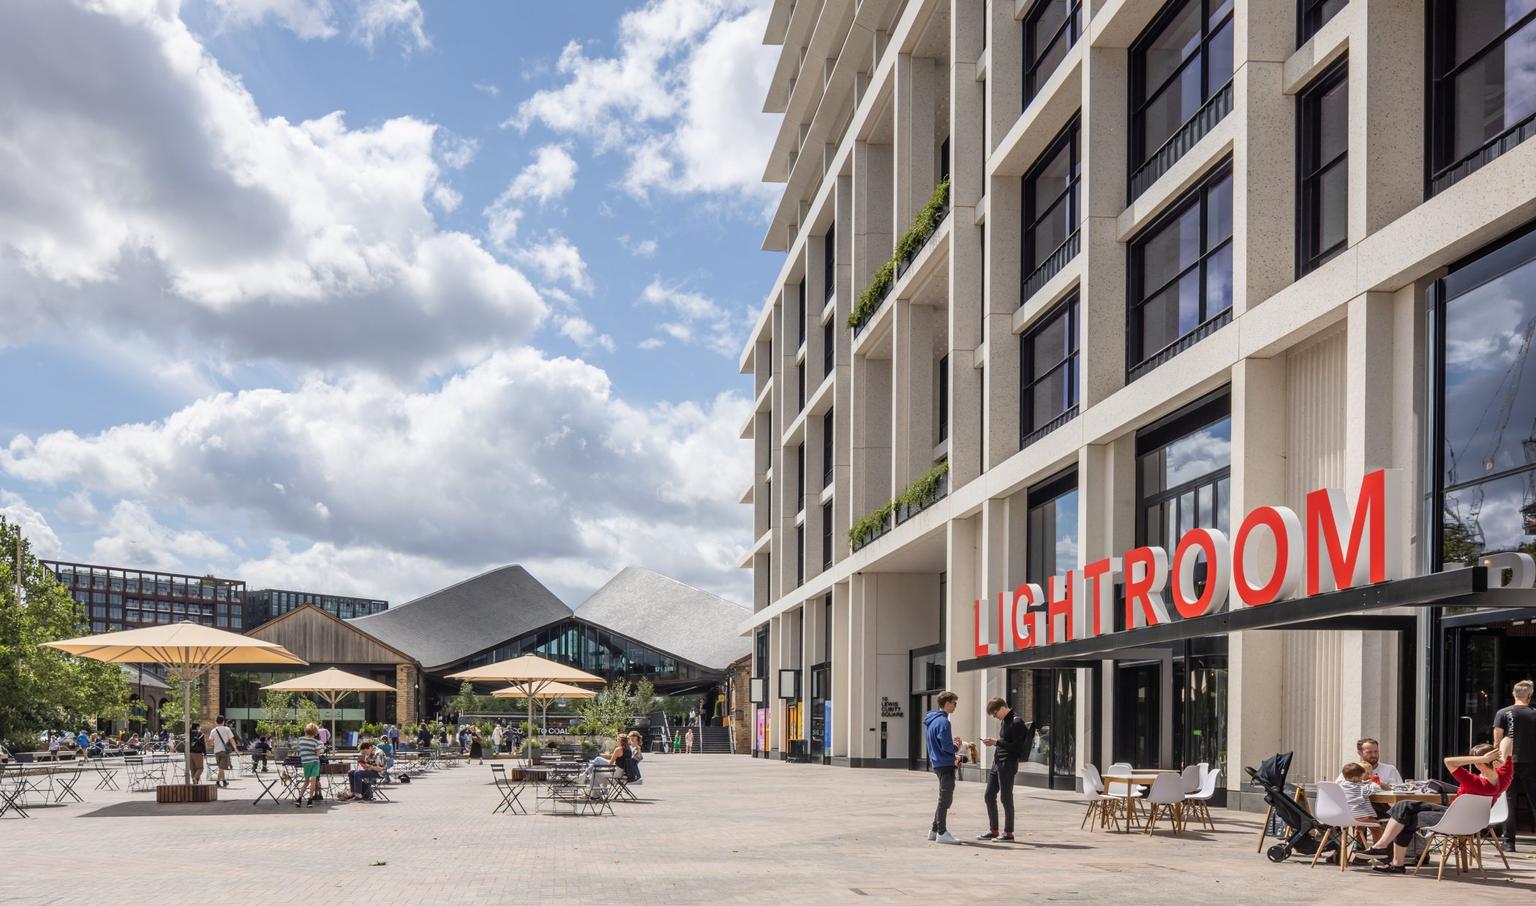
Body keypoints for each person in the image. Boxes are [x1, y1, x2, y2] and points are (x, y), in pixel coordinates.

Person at [1359, 737, 1514, 873]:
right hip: (1474, 821)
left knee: (1405, 813)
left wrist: (1480, 758)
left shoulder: (1473, 781)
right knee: (1404, 808)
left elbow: (1448, 761)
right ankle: (1388, 854)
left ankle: (1387, 853)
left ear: (1479, 764)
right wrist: (1501, 757)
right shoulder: (1504, 776)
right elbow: (1508, 740)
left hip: (1454, 819)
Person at [976, 696, 1031, 842]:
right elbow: (1005, 742)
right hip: (998, 763)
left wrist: (996, 742)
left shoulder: (1017, 722)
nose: (995, 717)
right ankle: (993, 830)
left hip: (1008, 763)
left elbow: (1018, 748)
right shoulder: (1005, 721)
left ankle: (1008, 832)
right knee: (989, 795)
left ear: (1001, 708)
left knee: (1006, 798)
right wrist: (995, 745)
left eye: (995, 714)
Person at [1494, 679, 1536, 851]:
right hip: (1532, 762)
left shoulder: (1503, 713)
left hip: (1508, 761)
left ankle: (1508, 842)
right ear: (1530, 695)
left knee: (1509, 801)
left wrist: (1497, 760)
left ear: (1514, 694)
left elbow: (1497, 740)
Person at [923, 690, 963, 845]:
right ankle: (942, 832)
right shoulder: (944, 722)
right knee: (945, 799)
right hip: (945, 764)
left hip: (937, 763)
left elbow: (938, 744)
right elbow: (946, 746)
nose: (955, 706)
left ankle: (934, 831)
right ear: (947, 703)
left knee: (943, 798)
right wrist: (956, 747)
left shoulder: (932, 720)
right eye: (954, 703)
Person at [1337, 762, 1387, 842]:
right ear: (1355, 778)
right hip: (1361, 817)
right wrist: (1374, 783)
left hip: (1344, 816)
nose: (1362, 779)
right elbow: (1377, 789)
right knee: (1376, 827)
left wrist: (1363, 782)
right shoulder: (1362, 788)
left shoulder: (1340, 787)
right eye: (1361, 777)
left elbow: (1353, 785)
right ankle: (1377, 847)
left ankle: (1359, 845)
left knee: (1360, 827)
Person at [1336, 738, 1402, 787]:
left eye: (1376, 751)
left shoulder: (1390, 769)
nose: (1374, 755)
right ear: (1360, 753)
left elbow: (1399, 790)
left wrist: (1379, 784)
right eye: (1369, 752)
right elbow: (1338, 788)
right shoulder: (1352, 769)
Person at [295, 722, 322, 808]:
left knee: (306, 782)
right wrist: (321, 750)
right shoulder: (316, 742)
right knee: (313, 782)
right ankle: (310, 801)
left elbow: (299, 750)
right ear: (315, 732)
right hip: (314, 762)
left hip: (306, 763)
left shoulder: (301, 740)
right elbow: (318, 754)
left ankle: (299, 799)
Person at [207, 715, 237, 788]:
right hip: (224, 751)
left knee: (221, 767)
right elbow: (231, 740)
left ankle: (224, 781)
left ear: (216, 722)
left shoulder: (213, 730)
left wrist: (214, 745)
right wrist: (235, 748)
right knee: (221, 768)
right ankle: (217, 782)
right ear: (223, 721)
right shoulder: (227, 729)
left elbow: (210, 741)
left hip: (216, 751)